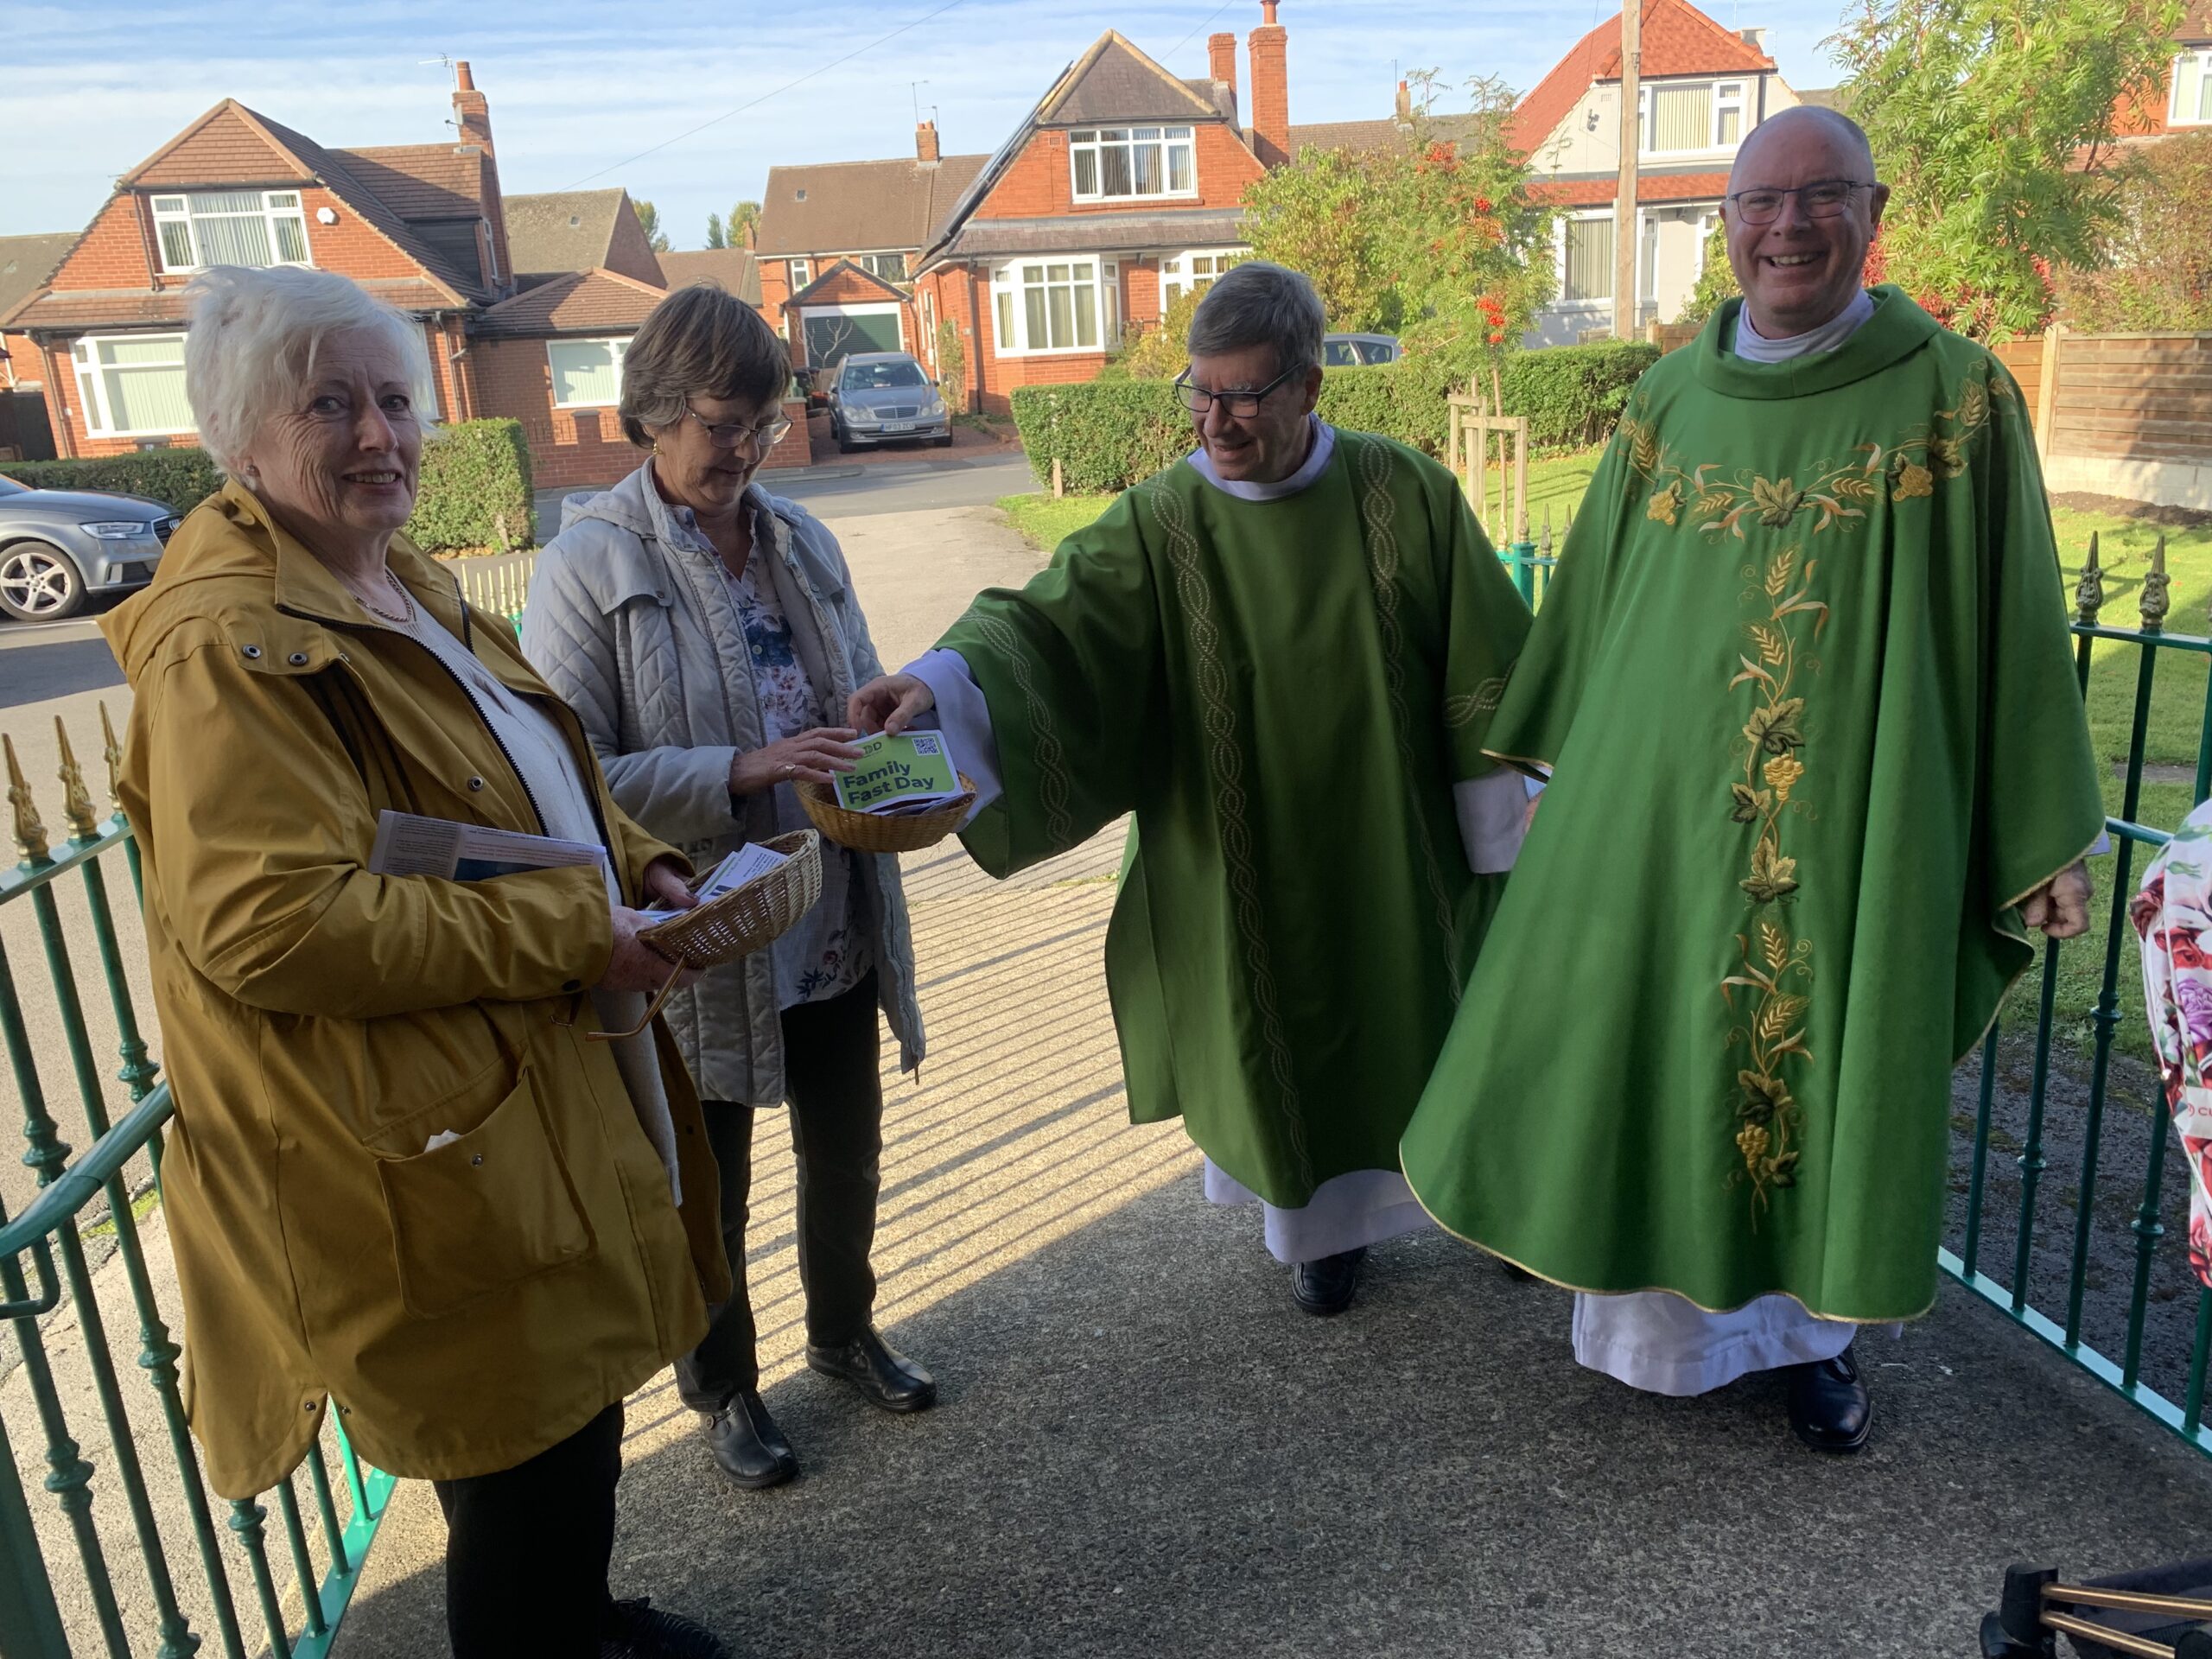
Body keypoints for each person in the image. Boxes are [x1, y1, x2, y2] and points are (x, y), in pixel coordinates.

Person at [1398, 106, 2101, 1452]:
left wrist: (2039, 833)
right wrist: (1560, 776)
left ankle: (1815, 1345)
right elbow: (1601, 606)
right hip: (1660, 819)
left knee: (1827, 1061)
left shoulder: (1956, 395)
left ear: (1872, 210)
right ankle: (1646, 1330)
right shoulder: (1668, 400)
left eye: (1820, 197)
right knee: (1651, 1045)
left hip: (1856, 823)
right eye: (1757, 205)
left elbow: (2015, 624)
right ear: (1723, 226)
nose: (1788, 228)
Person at [100, 265, 731, 1659]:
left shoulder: (392, 578)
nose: (380, 435)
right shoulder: (228, 645)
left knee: (569, 1426)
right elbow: (275, 924)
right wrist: (583, 933)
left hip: (519, 1090)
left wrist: (639, 865)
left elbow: (523, 775)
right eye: (330, 404)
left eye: (393, 399)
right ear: (242, 440)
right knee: (516, 1464)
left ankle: (585, 1621)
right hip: (424, 1138)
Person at [849, 262, 1533, 1316]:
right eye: (1201, 393)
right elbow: (1045, 626)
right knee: (1288, 1037)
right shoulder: (1164, 519)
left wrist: (1498, 831)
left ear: (1310, 386)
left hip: (1398, 845)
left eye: (1246, 395)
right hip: (1240, 851)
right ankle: (1325, 1234)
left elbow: (1489, 662)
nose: (1217, 421)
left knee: (1434, 1011)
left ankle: (1479, 1197)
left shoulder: (1407, 493)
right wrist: (934, 687)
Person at [523, 283, 932, 1494]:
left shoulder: (802, 536)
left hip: (830, 912)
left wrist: (883, 708)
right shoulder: (588, 564)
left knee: (845, 1152)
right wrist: (740, 767)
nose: (742, 450)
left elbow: (850, 682)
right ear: (651, 414)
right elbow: (568, 772)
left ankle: (844, 1332)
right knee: (715, 1185)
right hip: (704, 934)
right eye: (717, 423)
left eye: (761, 423)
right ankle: (726, 1388)